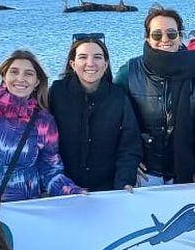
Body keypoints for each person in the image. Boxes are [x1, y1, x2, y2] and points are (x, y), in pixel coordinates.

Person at [0, 50, 84, 202]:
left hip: (25, 206)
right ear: (4, 76)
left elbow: (50, 170)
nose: (20, 78)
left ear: (37, 82)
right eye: (14, 72)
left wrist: (73, 192)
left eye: (28, 74)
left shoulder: (44, 122)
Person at [115, 5, 195, 185]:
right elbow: (116, 122)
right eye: (157, 35)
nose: (165, 39)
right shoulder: (129, 73)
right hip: (146, 174)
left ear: (180, 37)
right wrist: (128, 162)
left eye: (171, 34)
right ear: (147, 38)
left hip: (194, 172)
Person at [48, 36, 142, 191]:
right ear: (73, 64)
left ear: (105, 64)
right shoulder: (56, 93)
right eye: (83, 57)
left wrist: (124, 182)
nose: (90, 63)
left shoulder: (118, 97)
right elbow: (44, 143)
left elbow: (129, 146)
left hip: (107, 189)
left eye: (97, 57)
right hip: (63, 189)